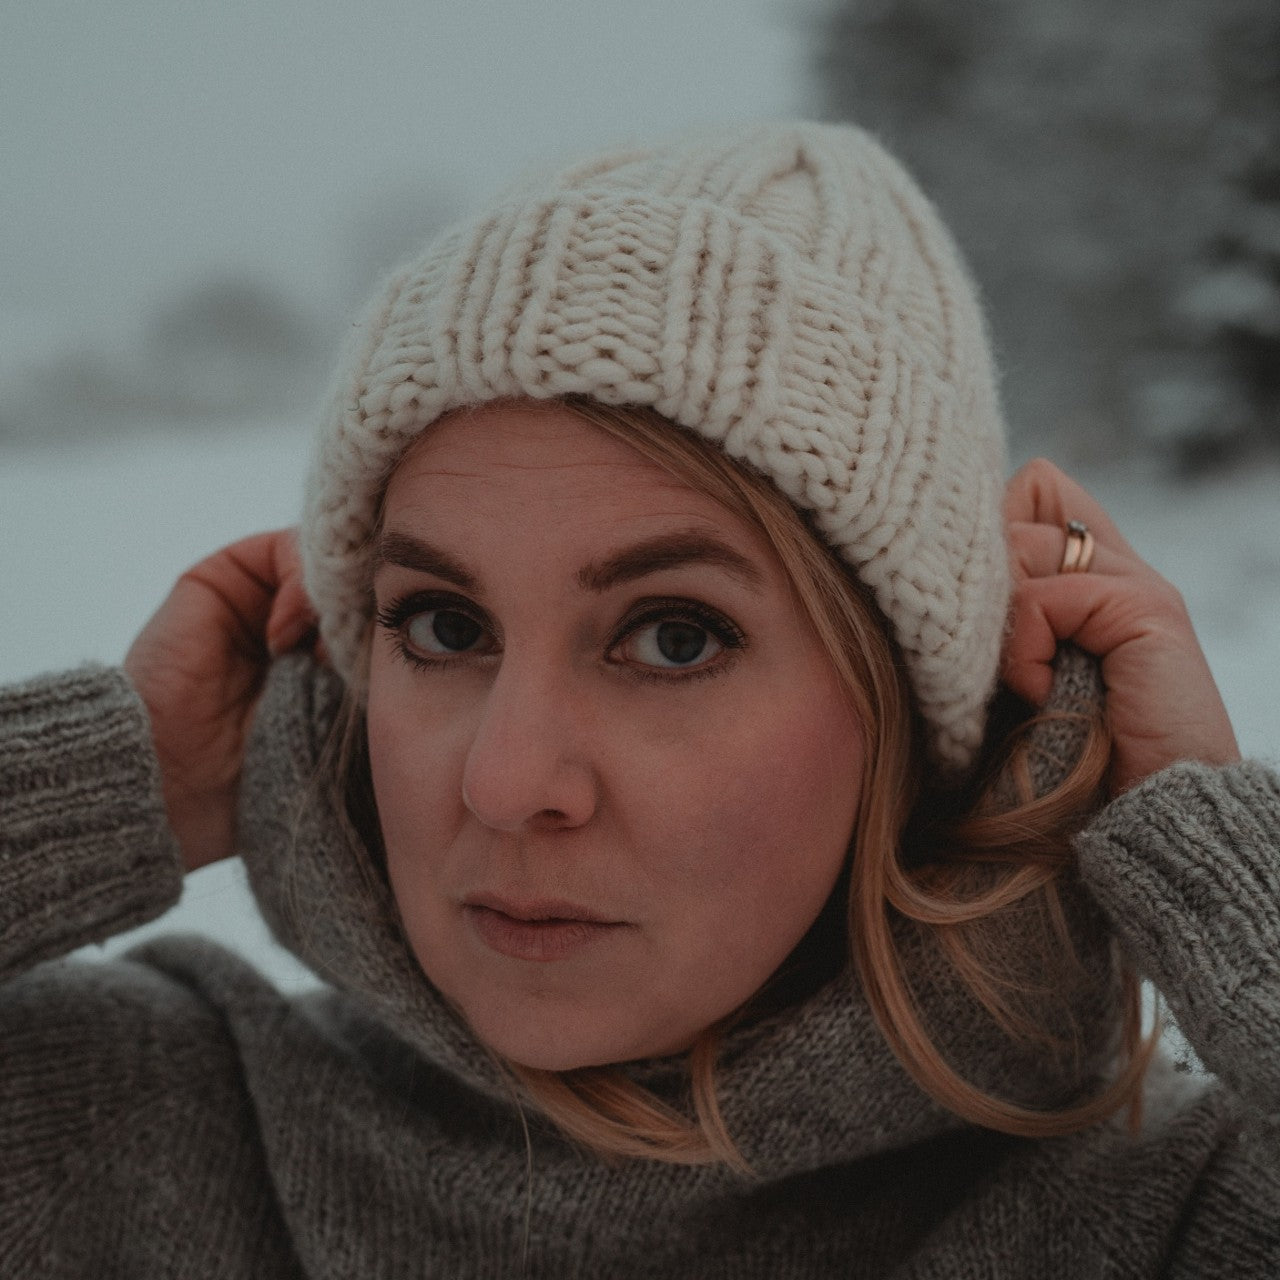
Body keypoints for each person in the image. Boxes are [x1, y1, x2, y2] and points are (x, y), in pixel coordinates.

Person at [2, 121, 1276, 1277]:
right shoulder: (122, 1132)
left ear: (904, 714)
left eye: (673, 637)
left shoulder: (1162, 1226)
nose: (506, 782)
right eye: (442, 626)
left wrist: (1222, 867)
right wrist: (118, 782)